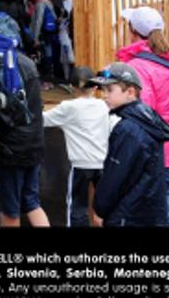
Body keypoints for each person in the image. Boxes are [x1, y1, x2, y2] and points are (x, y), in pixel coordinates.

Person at [117, 5, 169, 226]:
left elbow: (143, 114)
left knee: (148, 221)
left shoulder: (138, 66)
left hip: (158, 159)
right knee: (156, 219)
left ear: (133, 30)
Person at [90, 62, 169, 226]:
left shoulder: (128, 129)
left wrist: (100, 209)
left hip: (128, 215)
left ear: (130, 92)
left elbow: (115, 176)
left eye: (109, 90)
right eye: (103, 90)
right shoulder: (147, 118)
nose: (104, 95)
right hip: (147, 210)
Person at [43, 65, 112, 227]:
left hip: (80, 165)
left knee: (76, 208)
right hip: (103, 163)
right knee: (107, 208)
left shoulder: (68, 107)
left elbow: (42, 120)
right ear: (95, 87)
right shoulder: (104, 106)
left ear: (72, 87)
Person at [0, 52, 49, 228]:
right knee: (32, 202)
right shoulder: (27, 62)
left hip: (12, 146)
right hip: (33, 141)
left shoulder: (0, 63)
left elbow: (6, 110)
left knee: (11, 209)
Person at [32, 0, 60, 85]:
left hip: (44, 33)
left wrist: (35, 37)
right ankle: (52, 76)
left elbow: (38, 20)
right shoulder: (48, 2)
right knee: (50, 53)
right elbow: (55, 18)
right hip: (51, 32)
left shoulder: (40, 4)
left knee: (46, 55)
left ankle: (47, 79)